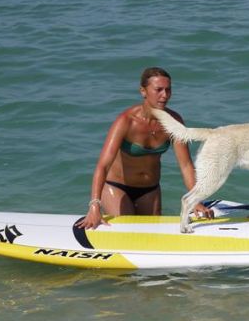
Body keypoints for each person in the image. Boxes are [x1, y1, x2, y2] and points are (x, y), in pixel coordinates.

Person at [76, 67, 214, 229]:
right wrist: (94, 206)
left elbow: (186, 166)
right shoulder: (126, 121)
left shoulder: (173, 122)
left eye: (168, 90)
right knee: (126, 232)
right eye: (158, 90)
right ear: (143, 91)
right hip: (117, 188)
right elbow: (103, 165)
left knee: (153, 234)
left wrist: (195, 200)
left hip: (150, 190)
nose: (164, 95)